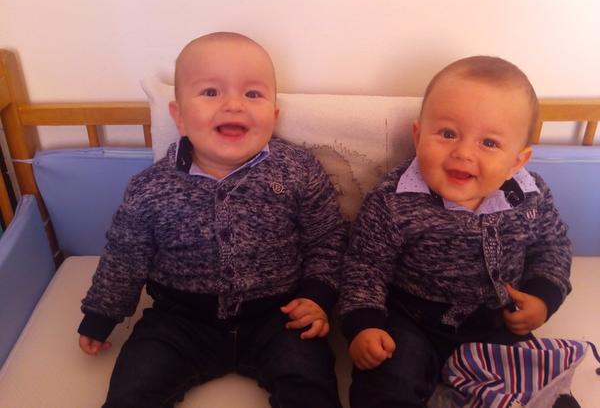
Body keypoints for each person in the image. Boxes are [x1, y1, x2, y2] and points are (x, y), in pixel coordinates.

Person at [77, 32, 347, 408]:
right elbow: (124, 257)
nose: (234, 105)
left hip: (279, 316)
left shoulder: (297, 170)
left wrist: (316, 295)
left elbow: (328, 238)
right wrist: (100, 314)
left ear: (274, 115)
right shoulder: (150, 187)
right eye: (210, 92)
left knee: (311, 386)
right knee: (132, 391)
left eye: (252, 94)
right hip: (178, 322)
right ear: (179, 116)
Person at [339, 56, 572, 408]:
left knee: (542, 388)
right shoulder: (393, 200)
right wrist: (364, 324)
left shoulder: (531, 196)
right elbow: (364, 266)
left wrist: (543, 296)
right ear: (418, 136)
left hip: (496, 319)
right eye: (448, 134)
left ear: (516, 161)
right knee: (385, 383)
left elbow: (552, 247)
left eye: (489, 143)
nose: (463, 153)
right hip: (409, 320)